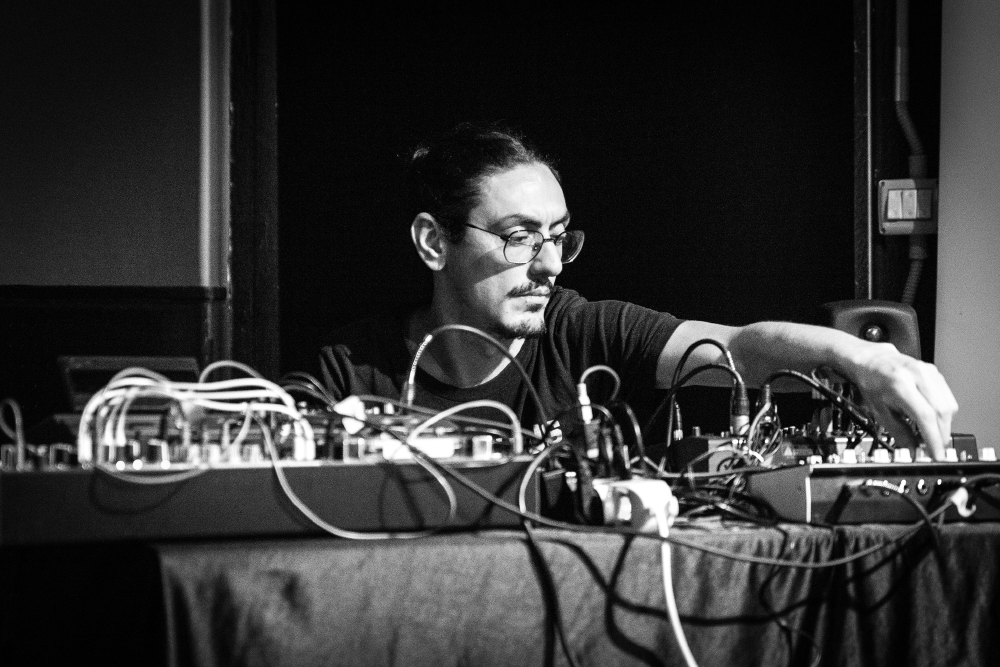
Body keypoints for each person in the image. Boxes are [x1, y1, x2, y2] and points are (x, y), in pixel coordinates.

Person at [320, 122, 957, 460]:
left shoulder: (580, 330)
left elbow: (738, 349)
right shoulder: (351, 370)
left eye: (559, 238)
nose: (549, 266)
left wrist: (864, 359)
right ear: (435, 243)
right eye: (519, 237)